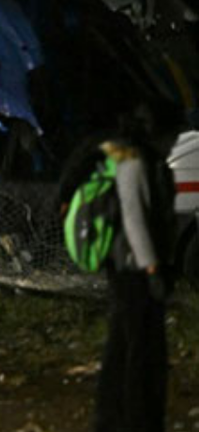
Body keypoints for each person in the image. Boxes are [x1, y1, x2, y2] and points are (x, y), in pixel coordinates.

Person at [93, 115, 175, 432]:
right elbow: (135, 217)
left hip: (126, 266)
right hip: (132, 268)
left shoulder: (124, 157)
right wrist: (151, 265)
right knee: (142, 346)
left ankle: (113, 416)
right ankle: (138, 417)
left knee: (122, 341)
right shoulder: (134, 162)